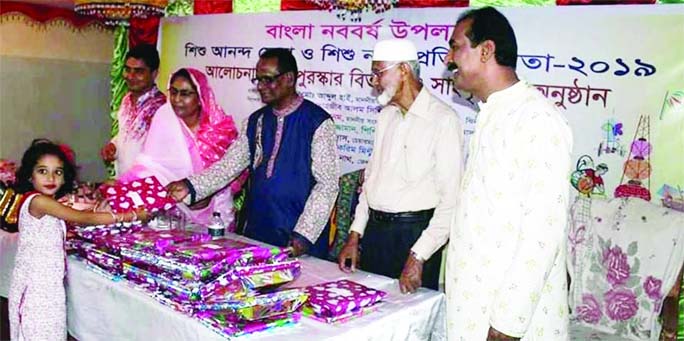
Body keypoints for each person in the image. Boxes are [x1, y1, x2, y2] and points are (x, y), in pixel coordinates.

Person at [443, 7, 573, 340]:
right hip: (475, 308)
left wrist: (508, 323)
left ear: (485, 50)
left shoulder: (536, 119)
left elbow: (542, 232)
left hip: (510, 324)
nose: (448, 58)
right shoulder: (491, 114)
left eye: (456, 46)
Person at [167, 48, 339, 258]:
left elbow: (327, 185)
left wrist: (304, 234)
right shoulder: (255, 121)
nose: (260, 86)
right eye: (258, 80)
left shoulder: (318, 122)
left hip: (297, 234)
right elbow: (228, 166)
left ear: (289, 79)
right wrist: (190, 186)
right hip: (258, 228)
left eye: (267, 80)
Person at [337, 39, 463, 294]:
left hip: (415, 237)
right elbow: (370, 181)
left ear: (403, 70)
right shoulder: (386, 116)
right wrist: (355, 234)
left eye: (378, 73)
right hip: (375, 234)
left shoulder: (443, 120)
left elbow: (451, 201)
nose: (374, 82)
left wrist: (418, 256)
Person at [9, 139, 146, 340]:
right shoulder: (39, 201)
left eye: (58, 172)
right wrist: (131, 215)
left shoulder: (48, 204)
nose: (51, 177)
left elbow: (77, 217)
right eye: (42, 171)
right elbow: (83, 218)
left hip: (49, 288)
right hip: (36, 292)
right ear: (30, 175)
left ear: (65, 177)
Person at [118, 68, 241, 226]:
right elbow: (149, 165)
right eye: (173, 92)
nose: (176, 99)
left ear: (200, 97)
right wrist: (122, 187)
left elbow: (235, 172)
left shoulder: (220, 129)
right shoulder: (164, 118)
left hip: (215, 211)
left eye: (185, 94)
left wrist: (206, 193)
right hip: (169, 211)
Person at [100, 44, 166, 177]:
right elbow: (125, 134)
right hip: (124, 180)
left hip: (146, 184)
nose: (130, 76)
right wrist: (114, 146)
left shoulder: (162, 108)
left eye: (139, 71)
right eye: (128, 69)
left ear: (154, 74)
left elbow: (162, 154)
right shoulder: (126, 100)